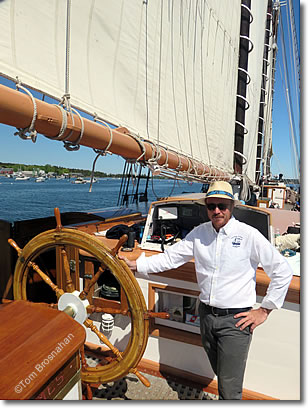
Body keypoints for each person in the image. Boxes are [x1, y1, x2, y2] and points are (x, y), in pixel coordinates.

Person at [118, 181, 293, 400]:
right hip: (207, 316)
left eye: (222, 205)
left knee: (229, 389)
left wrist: (264, 310)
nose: (217, 211)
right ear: (206, 208)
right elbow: (170, 258)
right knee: (222, 373)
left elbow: (282, 270)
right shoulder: (199, 233)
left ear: (232, 206)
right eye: (211, 206)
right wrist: (136, 265)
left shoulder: (249, 235)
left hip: (236, 321)